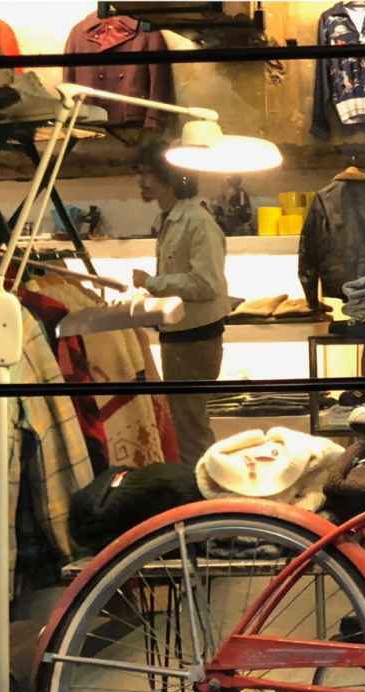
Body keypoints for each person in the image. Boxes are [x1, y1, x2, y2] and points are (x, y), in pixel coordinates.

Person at [134, 139, 229, 466]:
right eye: (141, 173)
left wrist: (152, 283)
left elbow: (206, 283)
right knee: (186, 422)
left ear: (169, 177)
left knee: (190, 425)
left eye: (149, 174)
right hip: (182, 335)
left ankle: (201, 494)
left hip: (194, 337)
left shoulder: (197, 222)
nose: (142, 182)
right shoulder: (173, 219)